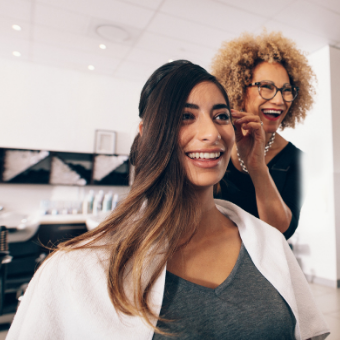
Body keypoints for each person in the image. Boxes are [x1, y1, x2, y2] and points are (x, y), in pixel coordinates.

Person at [7, 61, 328, 340]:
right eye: (185, 116)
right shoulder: (74, 269)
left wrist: (257, 166)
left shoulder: (270, 245)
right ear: (147, 133)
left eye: (220, 116)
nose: (211, 133)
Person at [211, 31, 315, 239]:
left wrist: (257, 166)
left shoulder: (295, 159)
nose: (279, 101)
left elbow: (283, 231)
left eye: (286, 90)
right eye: (266, 87)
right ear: (239, 89)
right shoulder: (214, 143)